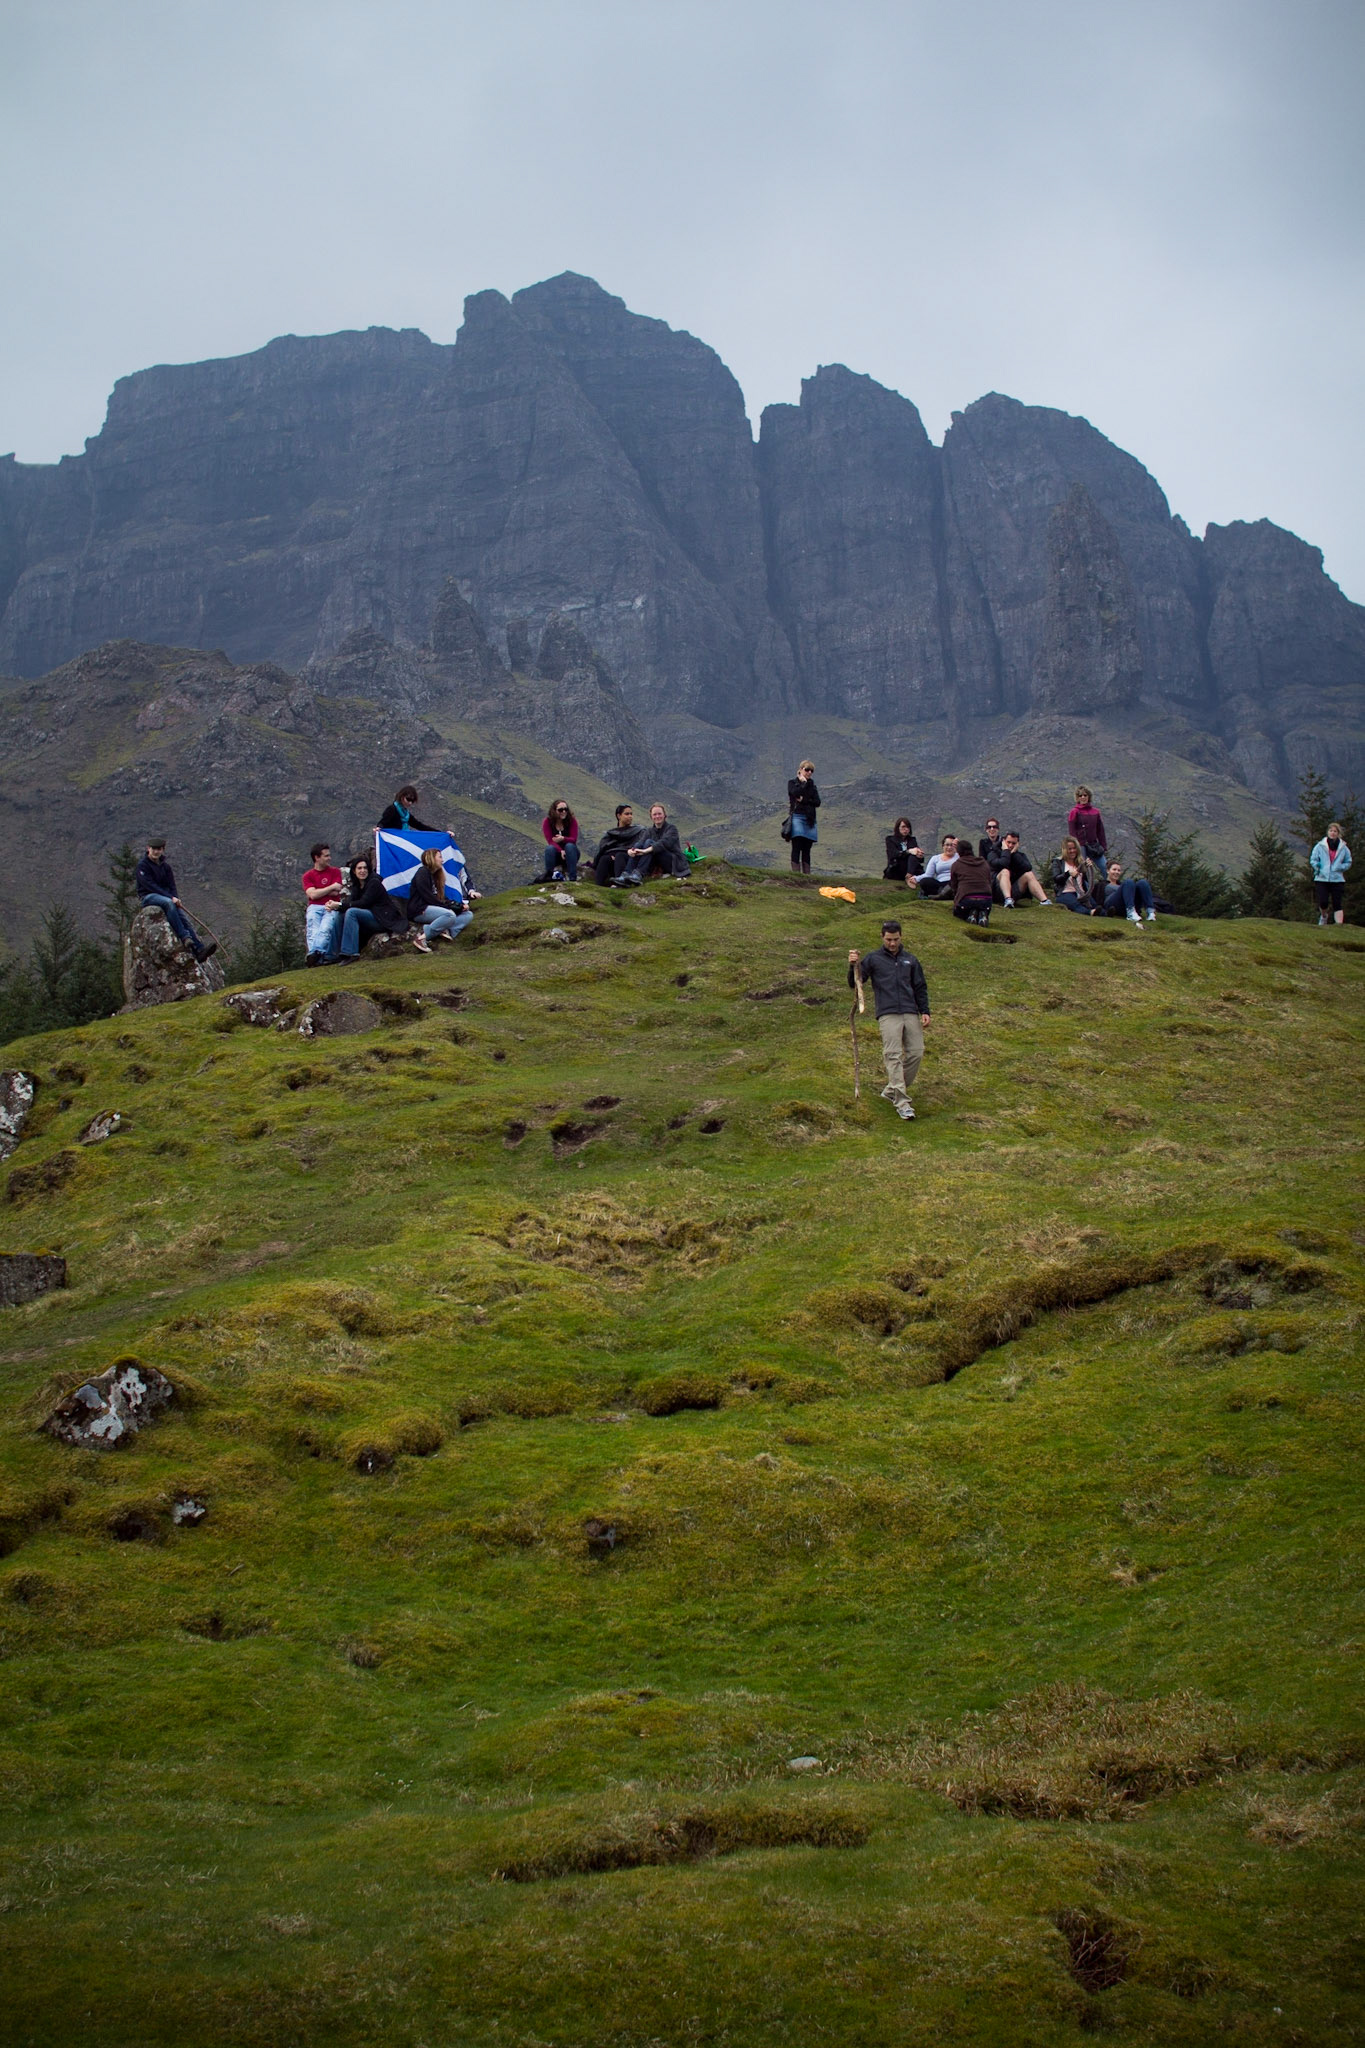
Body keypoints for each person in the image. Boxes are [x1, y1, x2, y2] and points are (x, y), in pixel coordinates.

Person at [847, 920, 931, 1122]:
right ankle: (902, 1103)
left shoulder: (910, 959)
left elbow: (920, 986)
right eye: (889, 940)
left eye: (896, 939)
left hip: (911, 1011)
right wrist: (853, 966)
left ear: (901, 937)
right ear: (882, 937)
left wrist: (925, 1011)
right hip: (887, 1013)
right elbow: (855, 983)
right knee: (892, 1055)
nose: (892, 943)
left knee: (916, 1053)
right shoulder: (873, 959)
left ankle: (892, 1089)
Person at [135, 838, 217, 961]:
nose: (156, 852)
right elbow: (149, 885)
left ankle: (199, 950)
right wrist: (170, 897)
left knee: (184, 918)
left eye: (159, 849)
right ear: (148, 849)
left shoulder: (166, 867)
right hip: (148, 896)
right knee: (168, 903)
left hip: (165, 896)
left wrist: (176, 898)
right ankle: (184, 937)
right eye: (154, 849)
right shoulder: (142, 866)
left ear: (162, 850)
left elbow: (172, 885)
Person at [337, 854, 409, 960]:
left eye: (365, 868)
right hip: (373, 916)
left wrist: (340, 905)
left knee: (352, 912)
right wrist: (337, 907)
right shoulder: (358, 886)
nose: (362, 871)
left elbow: (364, 903)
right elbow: (351, 902)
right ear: (354, 871)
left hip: (383, 919)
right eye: (359, 868)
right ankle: (333, 954)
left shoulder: (374, 883)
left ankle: (350, 953)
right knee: (339, 915)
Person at [406, 845, 473, 946]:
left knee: (468, 915)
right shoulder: (422, 872)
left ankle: (445, 930)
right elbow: (428, 897)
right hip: (420, 909)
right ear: (432, 858)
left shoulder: (436, 876)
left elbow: (441, 898)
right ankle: (422, 937)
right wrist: (449, 907)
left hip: (433, 907)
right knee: (449, 915)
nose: (442, 860)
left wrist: (458, 906)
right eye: (440, 857)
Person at [615, 804, 687, 884]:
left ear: (664, 815)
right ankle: (626, 874)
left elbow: (664, 843)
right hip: (657, 861)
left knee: (649, 842)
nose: (657, 816)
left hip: (673, 862)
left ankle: (639, 874)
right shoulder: (649, 831)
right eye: (654, 814)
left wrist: (646, 850)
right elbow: (640, 843)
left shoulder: (672, 829)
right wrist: (631, 850)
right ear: (651, 817)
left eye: (659, 814)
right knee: (638, 845)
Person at [301, 842, 345, 964]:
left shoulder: (335, 872)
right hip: (314, 907)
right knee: (313, 929)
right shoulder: (308, 876)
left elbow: (336, 892)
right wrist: (330, 888)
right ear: (317, 857)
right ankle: (317, 957)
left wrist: (319, 891)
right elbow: (312, 895)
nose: (329, 858)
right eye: (326, 856)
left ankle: (313, 955)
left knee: (325, 928)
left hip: (331, 905)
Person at [991, 830, 1051, 907]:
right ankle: (1008, 899)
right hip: (997, 890)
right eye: (1008, 842)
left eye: (1013, 843)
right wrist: (1006, 852)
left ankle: (1044, 901)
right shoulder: (993, 854)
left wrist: (1014, 854)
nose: (1010, 845)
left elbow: (1027, 868)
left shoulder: (1020, 855)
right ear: (1003, 841)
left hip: (1015, 889)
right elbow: (1003, 864)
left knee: (1028, 874)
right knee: (1005, 871)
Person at [1311, 822, 1352, 926]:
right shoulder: (1320, 846)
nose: (1332, 833)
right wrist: (1317, 866)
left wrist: (1340, 868)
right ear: (1327, 832)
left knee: (1337, 903)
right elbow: (1313, 859)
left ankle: (1339, 925)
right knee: (1323, 902)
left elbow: (1348, 862)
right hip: (1322, 878)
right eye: (1331, 831)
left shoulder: (1344, 848)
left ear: (1338, 833)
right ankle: (1324, 916)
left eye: (1335, 831)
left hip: (1337, 879)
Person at [588, 804, 639, 886]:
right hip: (612, 862)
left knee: (620, 855)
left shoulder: (637, 831)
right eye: (627, 814)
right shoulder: (612, 833)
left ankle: (621, 884)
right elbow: (603, 847)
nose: (630, 816)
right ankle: (598, 886)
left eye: (631, 814)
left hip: (629, 861)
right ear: (619, 816)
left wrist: (617, 853)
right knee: (604, 858)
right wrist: (610, 854)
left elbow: (636, 846)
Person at [949, 837, 995, 924]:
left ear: (959, 852)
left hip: (966, 899)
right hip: (986, 899)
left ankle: (971, 914)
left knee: (958, 912)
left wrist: (956, 899)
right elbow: (989, 881)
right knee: (982, 905)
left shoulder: (956, 865)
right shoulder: (984, 862)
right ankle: (982, 913)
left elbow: (954, 886)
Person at [787, 760, 820, 875]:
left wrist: (804, 800)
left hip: (810, 819)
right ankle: (796, 874)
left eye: (811, 771)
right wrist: (803, 784)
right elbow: (795, 793)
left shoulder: (813, 786)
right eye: (807, 769)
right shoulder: (792, 783)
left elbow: (817, 802)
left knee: (807, 847)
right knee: (796, 844)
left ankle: (807, 875)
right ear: (800, 770)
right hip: (797, 816)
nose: (809, 772)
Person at [1051, 836, 1101, 914]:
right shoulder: (1058, 862)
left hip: (1080, 892)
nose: (1072, 851)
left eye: (1074, 848)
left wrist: (1088, 868)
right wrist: (1068, 874)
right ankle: (1090, 913)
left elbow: (1088, 880)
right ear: (1064, 850)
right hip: (1065, 893)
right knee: (1076, 905)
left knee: (1094, 904)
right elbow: (1056, 878)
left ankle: (1105, 913)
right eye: (1069, 849)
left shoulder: (1080, 862)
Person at [1103, 858, 1156, 925]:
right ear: (1108, 871)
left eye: (1119, 870)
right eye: (1114, 869)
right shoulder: (1102, 884)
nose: (1117, 872)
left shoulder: (1123, 885)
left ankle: (1150, 912)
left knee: (1143, 883)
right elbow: (1098, 900)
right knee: (1129, 882)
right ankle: (1130, 912)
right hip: (1113, 906)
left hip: (1128, 903)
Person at [1066, 786, 1108, 871]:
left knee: (1105, 867)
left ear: (1089, 796)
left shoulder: (1096, 812)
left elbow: (1100, 831)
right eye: (1080, 795)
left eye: (1085, 795)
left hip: (1094, 845)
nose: (1083, 797)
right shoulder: (1074, 812)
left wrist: (1103, 846)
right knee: (1082, 870)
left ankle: (1111, 884)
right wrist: (1074, 846)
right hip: (1080, 845)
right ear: (1077, 798)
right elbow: (1072, 831)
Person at [907, 835, 960, 899]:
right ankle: (944, 894)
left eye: (952, 845)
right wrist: (916, 878)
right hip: (940, 884)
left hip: (953, 882)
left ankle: (944, 894)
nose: (949, 847)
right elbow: (928, 874)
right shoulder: (935, 858)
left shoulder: (960, 857)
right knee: (925, 882)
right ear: (943, 846)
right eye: (947, 845)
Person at [541, 800, 580, 882]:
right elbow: (550, 841)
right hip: (557, 854)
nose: (564, 812)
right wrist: (560, 850)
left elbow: (573, 839)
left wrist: (563, 838)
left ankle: (573, 878)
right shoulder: (547, 822)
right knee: (549, 849)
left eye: (566, 809)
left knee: (569, 846)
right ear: (554, 811)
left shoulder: (572, 821)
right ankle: (550, 877)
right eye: (560, 810)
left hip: (571, 853)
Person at [883, 817, 925, 882]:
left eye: (908, 827)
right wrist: (909, 851)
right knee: (912, 854)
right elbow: (894, 854)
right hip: (897, 867)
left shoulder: (912, 840)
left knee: (913, 856)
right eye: (903, 827)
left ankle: (909, 875)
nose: (906, 829)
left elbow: (920, 860)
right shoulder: (890, 839)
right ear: (898, 828)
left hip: (911, 867)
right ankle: (909, 876)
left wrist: (919, 855)